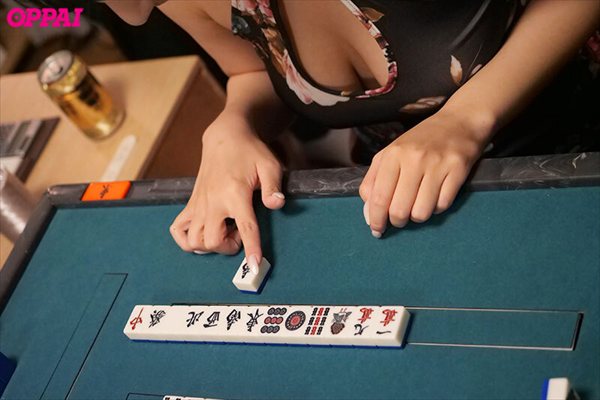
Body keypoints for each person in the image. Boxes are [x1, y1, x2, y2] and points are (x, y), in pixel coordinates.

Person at [18, 0, 600, 273]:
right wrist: (233, 124)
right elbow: (254, 73)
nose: (121, 12)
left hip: (578, 140)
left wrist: (463, 118)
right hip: (404, 192)